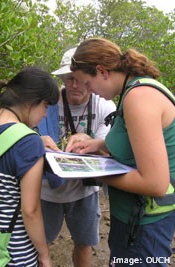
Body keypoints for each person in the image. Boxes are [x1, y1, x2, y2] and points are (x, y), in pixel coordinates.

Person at [67, 37, 175, 266]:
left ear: (102, 71)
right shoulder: (131, 92)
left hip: (145, 223)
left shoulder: (139, 97)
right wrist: (97, 145)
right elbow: (137, 143)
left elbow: (156, 183)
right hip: (132, 216)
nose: (90, 92)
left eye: (87, 83)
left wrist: (93, 172)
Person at [38, 47, 116, 267]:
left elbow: (109, 153)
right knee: (40, 244)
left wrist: (88, 141)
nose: (73, 84)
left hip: (84, 191)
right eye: (67, 78)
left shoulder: (104, 104)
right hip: (46, 190)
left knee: (84, 244)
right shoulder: (49, 102)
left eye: (78, 79)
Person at [0, 66, 59, 267]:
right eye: (45, 106)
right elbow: (30, 210)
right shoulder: (29, 143)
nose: (46, 114)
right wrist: (44, 254)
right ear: (30, 102)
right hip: (11, 251)